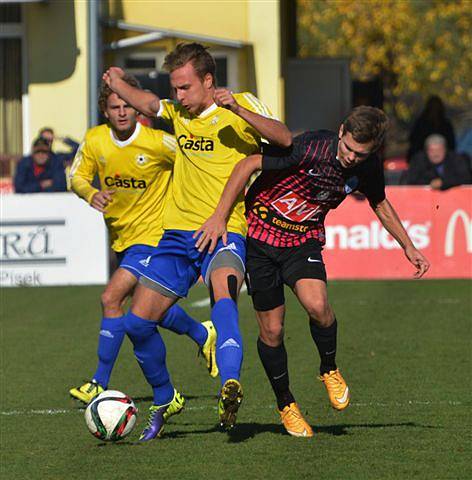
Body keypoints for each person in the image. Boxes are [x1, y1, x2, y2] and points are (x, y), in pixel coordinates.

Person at [195, 106, 430, 438]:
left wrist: (408, 246)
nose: (350, 158)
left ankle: (329, 369)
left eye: (359, 154)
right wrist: (220, 216)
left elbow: (379, 202)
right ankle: (286, 404)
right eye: (347, 148)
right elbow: (249, 163)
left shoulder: (367, 168)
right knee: (272, 332)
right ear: (340, 130)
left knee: (318, 306)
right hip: (260, 243)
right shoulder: (308, 148)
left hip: (302, 242)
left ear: (372, 151)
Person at [103, 42, 292, 440]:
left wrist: (239, 110)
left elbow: (285, 139)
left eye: (186, 87)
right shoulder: (176, 113)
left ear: (208, 81)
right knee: (137, 324)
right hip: (176, 236)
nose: (179, 96)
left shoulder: (239, 106)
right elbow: (149, 102)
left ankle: (230, 383)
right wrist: (118, 83)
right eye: (175, 88)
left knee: (224, 294)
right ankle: (166, 396)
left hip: (225, 231)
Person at [68, 75, 219, 430]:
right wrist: (92, 194)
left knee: (111, 298)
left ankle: (98, 383)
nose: (122, 113)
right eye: (114, 107)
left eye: (127, 107)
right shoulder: (95, 141)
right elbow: (76, 176)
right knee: (145, 311)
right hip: (123, 240)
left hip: (155, 237)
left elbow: (194, 158)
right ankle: (201, 334)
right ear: (105, 111)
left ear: (137, 110)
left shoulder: (158, 143)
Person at [405, 134, 471, 189]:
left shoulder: (456, 159)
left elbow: (466, 178)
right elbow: (411, 181)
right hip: (424, 201)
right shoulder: (418, 161)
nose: (436, 154)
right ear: (426, 151)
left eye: (439, 150)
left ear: (445, 150)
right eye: (432, 150)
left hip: (455, 200)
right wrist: (431, 183)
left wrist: (443, 182)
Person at [407, 95, 455, 161]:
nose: (435, 110)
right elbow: (414, 141)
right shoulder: (421, 124)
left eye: (437, 108)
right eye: (433, 108)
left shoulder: (446, 125)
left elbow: (451, 144)